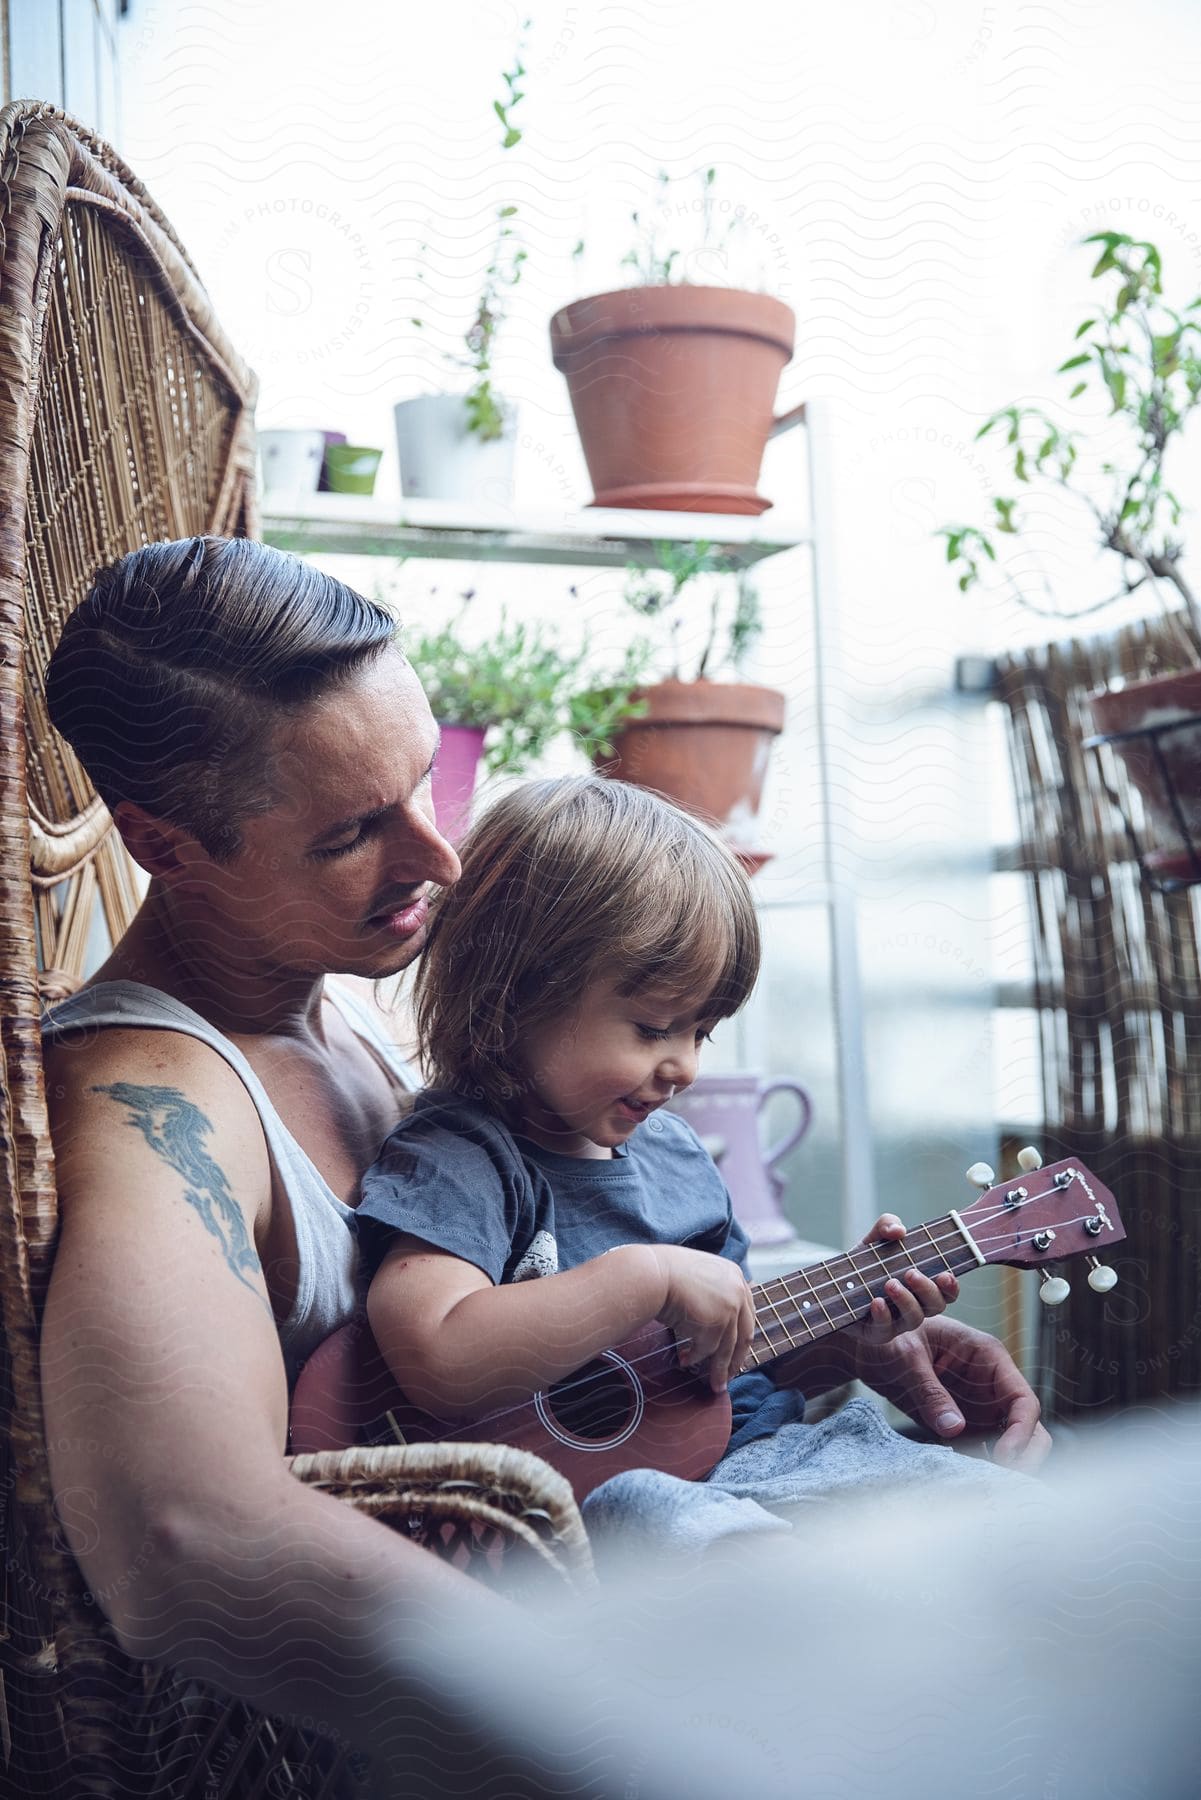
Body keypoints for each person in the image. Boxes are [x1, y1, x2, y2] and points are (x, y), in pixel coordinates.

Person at [37, 536, 1049, 1784]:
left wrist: (813, 1334)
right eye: (355, 829)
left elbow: (539, 1321)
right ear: (164, 842)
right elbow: (178, 1543)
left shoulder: (320, 1010)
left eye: (428, 780)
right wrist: (615, 1703)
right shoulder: (154, 1103)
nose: (439, 859)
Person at [357, 773, 961, 1458]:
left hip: (748, 1452)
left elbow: (721, 1370)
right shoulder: (462, 1157)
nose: (684, 1069)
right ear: (511, 998)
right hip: (618, 1504)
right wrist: (646, 1279)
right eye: (651, 1028)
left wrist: (844, 1334)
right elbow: (437, 1357)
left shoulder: (676, 1160)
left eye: (700, 1032)